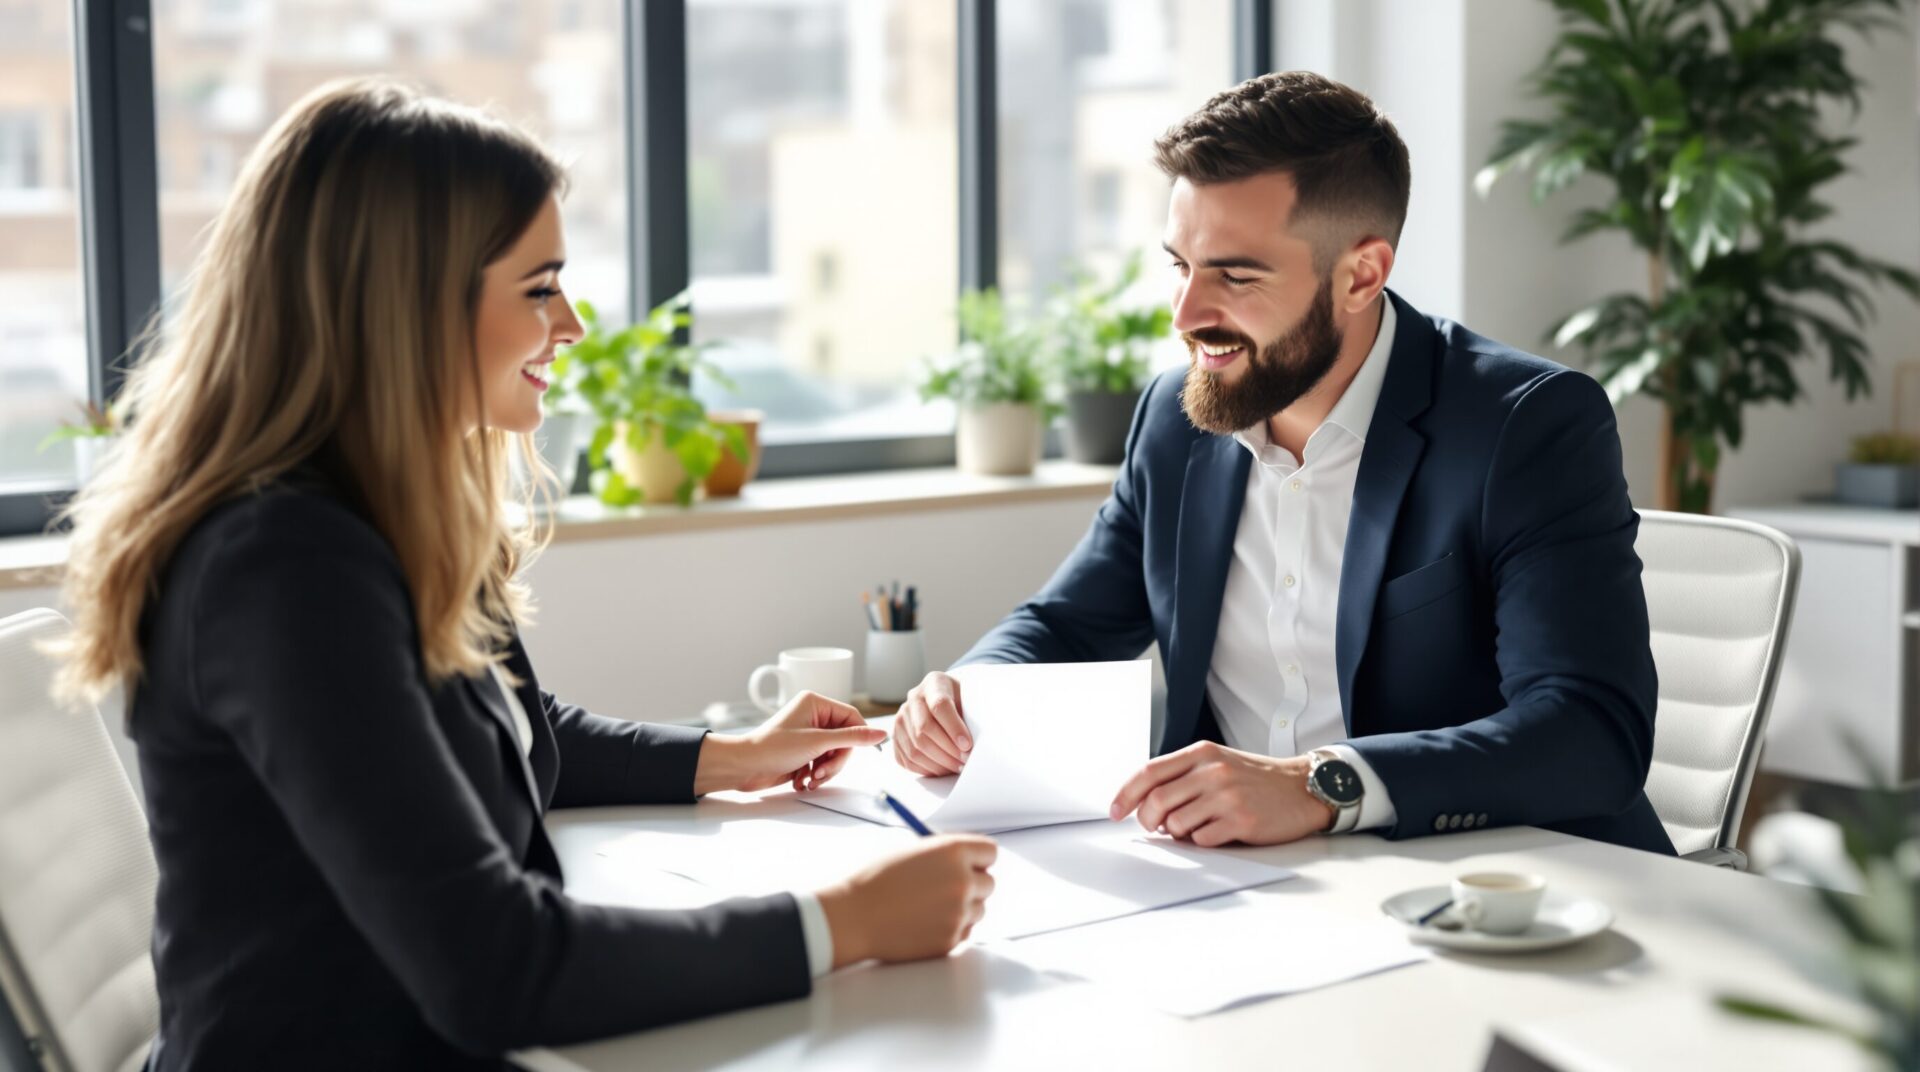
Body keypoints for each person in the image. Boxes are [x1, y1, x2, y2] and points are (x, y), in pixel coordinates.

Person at [53, 79, 995, 1070]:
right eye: (540, 287)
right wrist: (843, 921)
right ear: (407, 309)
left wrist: (731, 754)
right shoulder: (284, 568)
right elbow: (494, 967)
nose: (574, 325)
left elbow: (509, 737)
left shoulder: (387, 515)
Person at [889, 71, 1673, 857]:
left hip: (1512, 893)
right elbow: (1066, 624)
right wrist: (963, 689)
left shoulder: (1525, 425)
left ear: (1361, 275)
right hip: (1255, 890)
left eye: (1235, 275)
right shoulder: (1176, 420)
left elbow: (1589, 731)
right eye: (1179, 266)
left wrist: (1319, 786)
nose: (1187, 316)